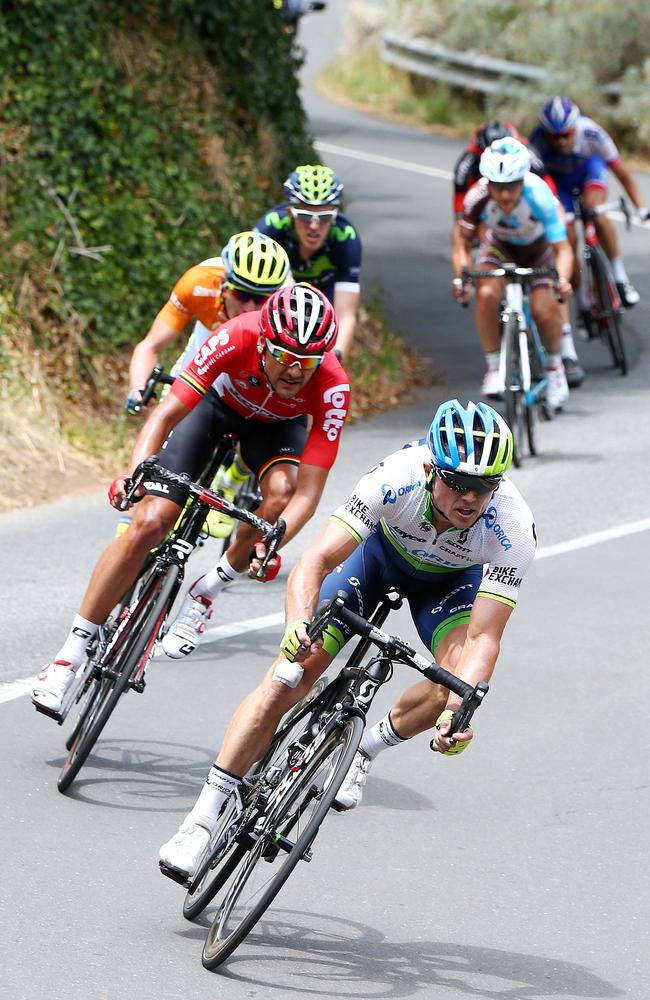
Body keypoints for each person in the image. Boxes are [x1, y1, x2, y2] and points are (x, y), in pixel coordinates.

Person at [158, 399, 536, 880]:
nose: (471, 498)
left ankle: (364, 749)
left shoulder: (512, 526)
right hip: (373, 560)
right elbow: (314, 561)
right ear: (429, 469)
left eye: (485, 487)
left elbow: (484, 636)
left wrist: (457, 711)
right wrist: (298, 625)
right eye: (458, 483)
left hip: (448, 583)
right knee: (288, 676)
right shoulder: (394, 478)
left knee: (454, 683)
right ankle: (201, 820)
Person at [32, 283, 350, 715]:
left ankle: (206, 591)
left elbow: (309, 493)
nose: (294, 371)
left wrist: (274, 539)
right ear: (262, 341)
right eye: (284, 357)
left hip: (276, 428)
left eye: (307, 362)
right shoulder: (236, 334)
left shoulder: (332, 386)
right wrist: (134, 474)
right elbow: (166, 414)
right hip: (215, 405)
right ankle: (66, 658)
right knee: (150, 521)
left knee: (280, 495)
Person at [452, 137, 574, 409]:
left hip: (539, 248)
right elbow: (460, 242)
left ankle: (555, 369)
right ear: (488, 182)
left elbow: (563, 249)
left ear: (523, 179)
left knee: (544, 308)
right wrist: (462, 276)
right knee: (485, 294)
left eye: (511, 187)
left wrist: (562, 280)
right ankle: (495, 368)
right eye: (497, 187)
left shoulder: (540, 196)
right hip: (500, 247)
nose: (505, 195)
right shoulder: (477, 197)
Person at [530, 96, 648, 312]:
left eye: (566, 134)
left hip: (588, 173)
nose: (560, 142)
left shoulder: (591, 132)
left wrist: (640, 207)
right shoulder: (537, 141)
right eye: (554, 137)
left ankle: (620, 277)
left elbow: (623, 174)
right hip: (557, 184)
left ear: (574, 128)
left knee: (596, 213)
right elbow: (534, 184)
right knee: (567, 236)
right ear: (545, 133)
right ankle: (581, 299)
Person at [254, 164, 361, 358]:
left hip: (324, 295)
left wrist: (336, 356)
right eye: (304, 217)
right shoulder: (270, 228)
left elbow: (346, 315)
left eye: (324, 217)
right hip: (275, 292)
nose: (314, 226)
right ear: (289, 212)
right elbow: (249, 294)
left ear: (335, 215)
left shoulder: (346, 238)